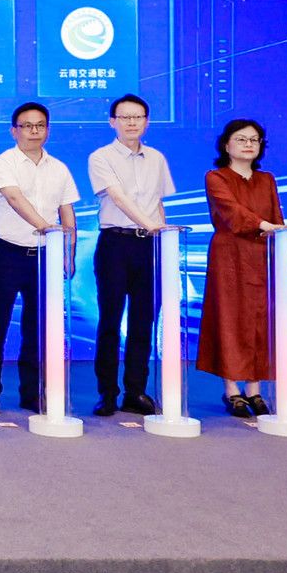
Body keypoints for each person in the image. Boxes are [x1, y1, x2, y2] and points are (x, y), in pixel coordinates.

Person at [0, 102, 80, 416]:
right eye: (27, 126)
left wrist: (68, 251)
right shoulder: (2, 163)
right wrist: (46, 227)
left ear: (47, 130)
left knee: (38, 328)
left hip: (45, 256)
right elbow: (14, 198)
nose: (34, 131)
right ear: (14, 131)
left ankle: (32, 393)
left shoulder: (59, 168)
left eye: (40, 126)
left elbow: (67, 211)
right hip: (6, 252)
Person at [86, 94, 176, 418]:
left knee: (144, 320)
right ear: (112, 122)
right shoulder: (101, 156)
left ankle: (135, 391)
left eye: (138, 117)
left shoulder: (157, 158)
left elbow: (158, 203)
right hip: (116, 243)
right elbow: (118, 197)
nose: (131, 123)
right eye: (125, 117)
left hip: (149, 246)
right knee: (110, 320)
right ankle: (107, 393)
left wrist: (162, 237)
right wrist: (150, 225)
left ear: (147, 122)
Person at [197, 118, 285, 418]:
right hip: (230, 256)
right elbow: (231, 212)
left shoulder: (267, 179)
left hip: (262, 255)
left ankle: (255, 390)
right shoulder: (216, 177)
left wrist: (278, 235)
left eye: (254, 140)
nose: (249, 144)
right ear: (226, 145)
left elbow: (276, 216)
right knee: (230, 319)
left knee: (260, 320)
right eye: (241, 139)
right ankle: (232, 390)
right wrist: (263, 225)